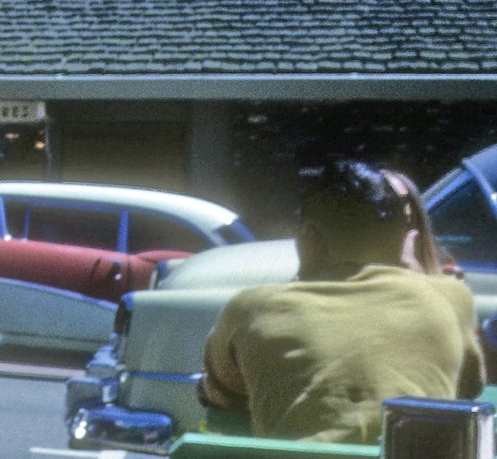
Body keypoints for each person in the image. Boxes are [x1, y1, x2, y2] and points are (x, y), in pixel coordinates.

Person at [200, 160, 484, 444]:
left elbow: (220, 399)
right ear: (403, 238)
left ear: (311, 237)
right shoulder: (452, 297)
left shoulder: (250, 309)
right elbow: (466, 389)